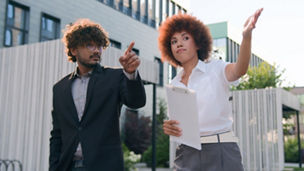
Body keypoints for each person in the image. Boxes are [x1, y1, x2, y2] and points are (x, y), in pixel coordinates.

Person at [159, 9, 263, 171]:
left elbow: (239, 70)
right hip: (185, 152)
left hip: (220, 149)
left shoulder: (215, 68)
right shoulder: (174, 84)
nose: (179, 43)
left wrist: (246, 36)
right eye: (173, 41)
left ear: (198, 43)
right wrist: (169, 127)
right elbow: (179, 124)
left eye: (185, 38)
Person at [49, 19, 146, 171]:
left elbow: (137, 102)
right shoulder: (60, 88)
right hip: (68, 167)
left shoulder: (116, 77)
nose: (97, 51)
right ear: (74, 50)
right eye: (90, 45)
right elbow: (57, 135)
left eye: (100, 46)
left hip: (104, 166)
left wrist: (131, 73)